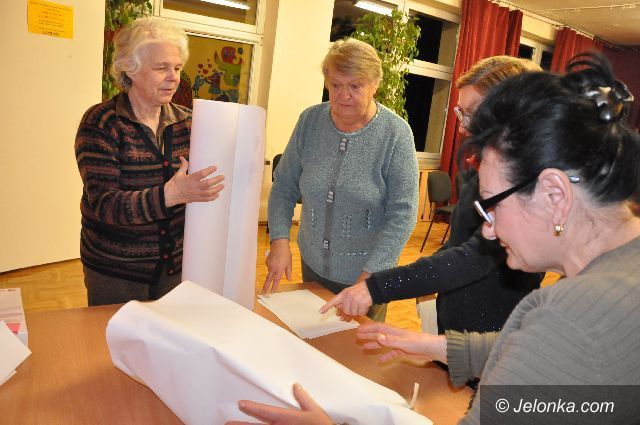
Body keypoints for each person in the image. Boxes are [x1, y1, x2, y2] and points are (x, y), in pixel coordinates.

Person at [228, 52, 640, 424]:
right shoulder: (603, 287)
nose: (487, 231)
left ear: (555, 195)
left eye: (492, 205)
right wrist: (437, 346)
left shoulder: (569, 320)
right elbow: (528, 350)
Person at [321, 56, 543, 336]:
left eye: (473, 113)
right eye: (461, 113)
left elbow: (471, 258)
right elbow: (459, 242)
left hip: (491, 338)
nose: (462, 127)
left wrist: (376, 288)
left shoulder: (528, 185)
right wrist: (425, 281)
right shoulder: (488, 170)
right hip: (454, 327)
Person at [263, 38, 419, 322]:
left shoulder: (396, 134)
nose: (343, 95)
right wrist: (279, 239)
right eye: (335, 85)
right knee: (313, 336)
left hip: (367, 276)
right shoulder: (310, 121)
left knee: (355, 347)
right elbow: (284, 185)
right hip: (312, 265)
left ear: (375, 84)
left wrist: (369, 280)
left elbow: (403, 214)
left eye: (355, 86)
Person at [75, 17, 224, 306]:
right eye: (161, 68)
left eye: (177, 67)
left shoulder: (190, 122)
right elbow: (105, 204)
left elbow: (206, 185)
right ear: (129, 69)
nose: (174, 77)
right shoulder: (101, 123)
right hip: (116, 272)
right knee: (116, 335)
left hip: (175, 268)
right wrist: (171, 194)